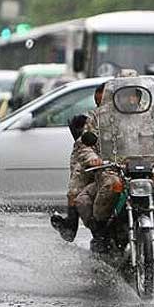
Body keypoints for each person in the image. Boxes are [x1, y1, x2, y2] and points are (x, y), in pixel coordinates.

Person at [74, 69, 154, 255]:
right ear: (116, 93)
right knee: (110, 186)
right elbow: (83, 146)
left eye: (134, 94)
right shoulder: (100, 116)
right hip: (113, 169)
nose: (130, 99)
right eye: (125, 93)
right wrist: (93, 158)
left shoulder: (153, 115)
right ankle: (101, 234)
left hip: (147, 170)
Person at [50, 83, 105, 242]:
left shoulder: (142, 115)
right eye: (98, 102)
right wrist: (92, 158)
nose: (102, 106)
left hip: (133, 163)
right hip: (102, 163)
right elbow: (83, 146)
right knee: (79, 174)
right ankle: (72, 224)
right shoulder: (92, 119)